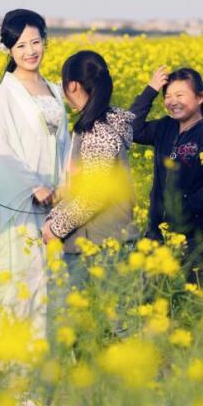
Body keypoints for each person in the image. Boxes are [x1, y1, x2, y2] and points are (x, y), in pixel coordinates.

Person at [0, 9, 71, 344]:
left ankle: (49, 368)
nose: (30, 51)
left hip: (57, 201)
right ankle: (16, 378)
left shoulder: (54, 89)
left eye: (36, 42)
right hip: (23, 201)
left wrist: (65, 184)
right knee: (21, 279)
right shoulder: (6, 93)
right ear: (9, 49)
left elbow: (63, 142)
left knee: (51, 282)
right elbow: (0, 149)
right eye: (21, 45)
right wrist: (32, 185)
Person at [42, 50, 139, 293]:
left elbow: (93, 196)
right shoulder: (101, 124)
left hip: (103, 243)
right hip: (96, 239)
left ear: (73, 86)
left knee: (118, 323)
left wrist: (55, 228)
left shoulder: (97, 132)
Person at [130, 66, 203, 283]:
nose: (172, 101)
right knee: (153, 299)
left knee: (191, 302)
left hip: (194, 235)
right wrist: (150, 90)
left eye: (180, 95)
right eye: (167, 96)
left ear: (200, 97)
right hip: (158, 232)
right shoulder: (164, 127)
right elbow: (132, 128)